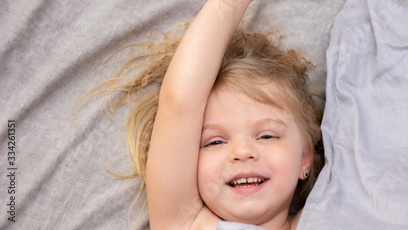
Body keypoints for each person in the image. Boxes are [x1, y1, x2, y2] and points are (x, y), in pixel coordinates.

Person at [78, 0, 324, 229]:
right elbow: (180, 103)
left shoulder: (329, 215)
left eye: (267, 136)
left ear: (304, 157)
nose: (242, 152)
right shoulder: (186, 223)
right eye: (215, 141)